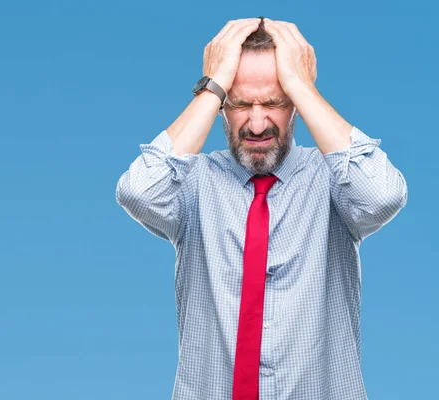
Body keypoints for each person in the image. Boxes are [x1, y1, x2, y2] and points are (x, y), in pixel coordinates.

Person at [115, 17, 407, 400]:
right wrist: (213, 85)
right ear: (220, 106)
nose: (256, 124)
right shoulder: (193, 183)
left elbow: (383, 195)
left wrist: (302, 85)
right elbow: (138, 191)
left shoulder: (334, 180)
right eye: (238, 103)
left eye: (273, 102)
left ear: (296, 106)